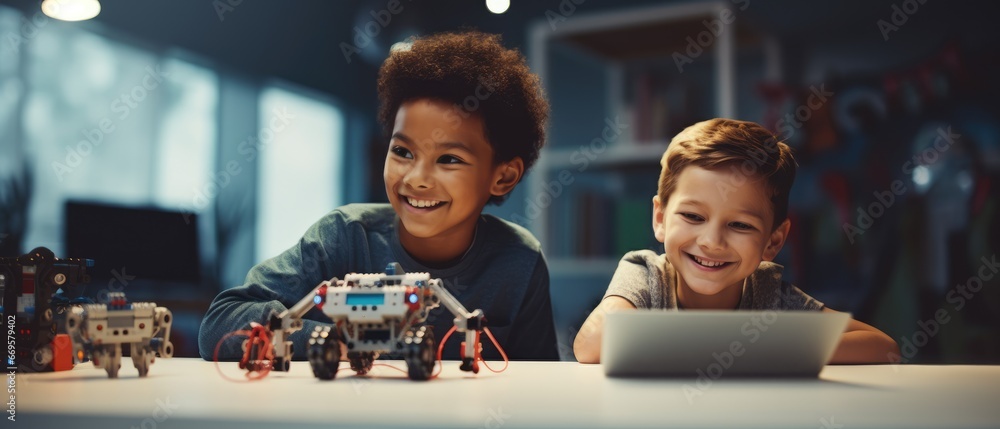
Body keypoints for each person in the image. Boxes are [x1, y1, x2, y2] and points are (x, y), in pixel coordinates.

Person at [199, 31, 558, 362]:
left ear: (503, 177)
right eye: (403, 152)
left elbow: (543, 381)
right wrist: (330, 341)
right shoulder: (343, 236)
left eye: (449, 159)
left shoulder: (519, 260)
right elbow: (220, 323)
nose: (416, 179)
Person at [573, 118, 899, 364]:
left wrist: (767, 348)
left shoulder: (768, 292)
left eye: (740, 225)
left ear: (773, 241)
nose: (712, 241)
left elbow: (885, 348)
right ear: (660, 218)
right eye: (693, 216)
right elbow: (591, 343)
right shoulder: (645, 273)